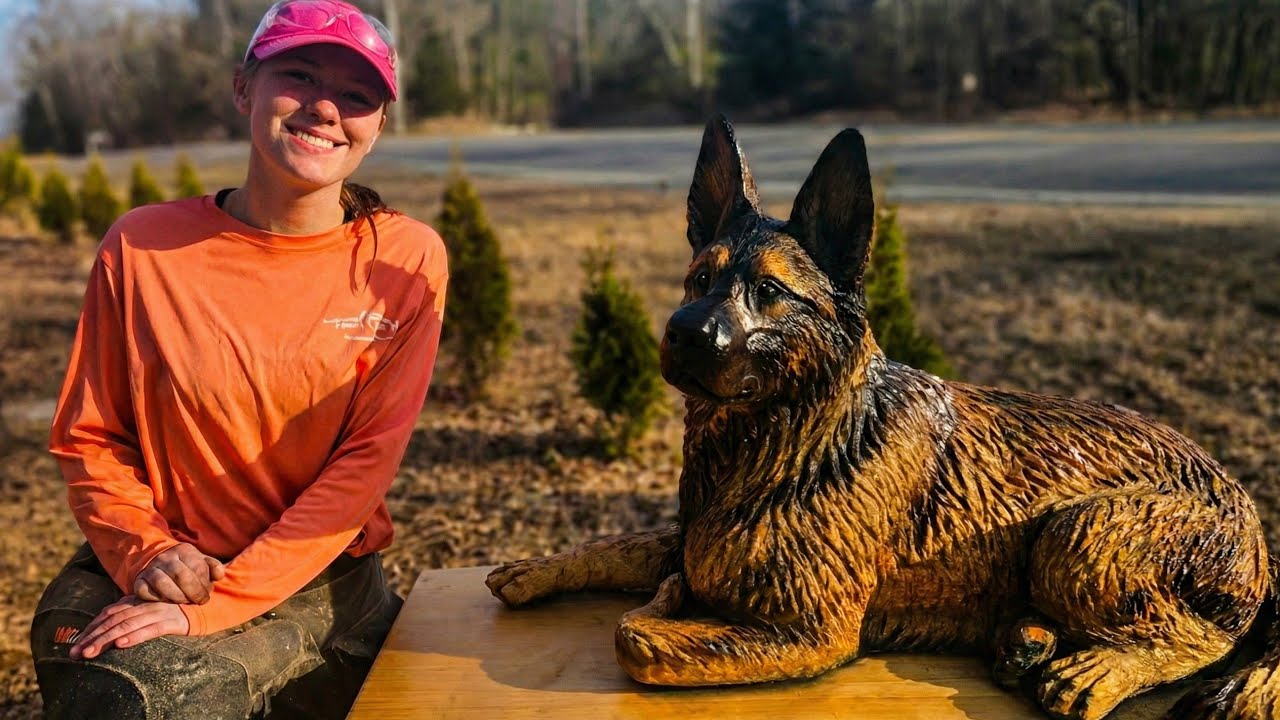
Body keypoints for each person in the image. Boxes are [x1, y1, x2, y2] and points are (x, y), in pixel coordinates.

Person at [29, 1, 448, 717]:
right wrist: (147, 555)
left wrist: (220, 604)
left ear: (377, 126)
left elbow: (363, 467)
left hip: (320, 578)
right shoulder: (142, 247)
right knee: (114, 689)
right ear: (244, 87)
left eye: (356, 96)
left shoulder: (404, 261)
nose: (324, 108)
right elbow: (90, 436)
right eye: (300, 76)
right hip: (165, 564)